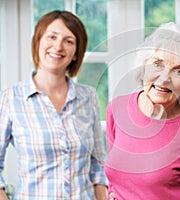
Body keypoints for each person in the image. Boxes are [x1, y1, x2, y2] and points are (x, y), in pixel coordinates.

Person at [0, 10, 108, 199]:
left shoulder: (88, 97)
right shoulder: (10, 98)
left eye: (69, 41)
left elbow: (98, 165)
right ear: (38, 42)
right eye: (52, 37)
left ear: (76, 53)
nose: (58, 46)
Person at [104, 22, 180, 200]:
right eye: (157, 64)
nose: (164, 78)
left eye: (178, 72)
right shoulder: (117, 108)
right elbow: (115, 181)